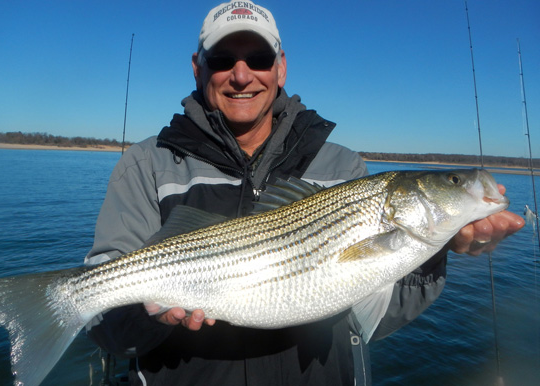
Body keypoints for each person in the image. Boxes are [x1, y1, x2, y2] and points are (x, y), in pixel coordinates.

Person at [85, 1, 524, 385]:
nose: (242, 75)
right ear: (198, 68)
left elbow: (371, 312)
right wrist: (151, 315)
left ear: (281, 67)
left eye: (258, 57)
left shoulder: (343, 167)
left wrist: (439, 251)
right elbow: (109, 329)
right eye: (223, 59)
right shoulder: (146, 165)